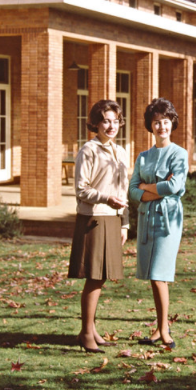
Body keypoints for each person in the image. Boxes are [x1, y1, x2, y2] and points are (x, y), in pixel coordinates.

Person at [68, 99, 129, 353]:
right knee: (94, 278)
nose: (111, 125)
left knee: (101, 277)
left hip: (113, 219)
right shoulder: (89, 150)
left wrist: (125, 223)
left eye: (115, 121)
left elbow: (123, 190)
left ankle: (91, 329)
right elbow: (82, 189)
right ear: (96, 123)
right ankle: (85, 333)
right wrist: (106, 198)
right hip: (93, 219)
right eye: (106, 120)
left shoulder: (121, 151)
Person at [129, 97, 188, 349]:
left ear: (172, 124)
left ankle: (164, 331)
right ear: (150, 126)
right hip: (146, 217)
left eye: (165, 122)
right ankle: (159, 328)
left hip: (168, 219)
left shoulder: (180, 154)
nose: (161, 127)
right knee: (153, 276)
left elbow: (176, 186)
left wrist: (147, 188)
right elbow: (132, 191)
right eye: (156, 122)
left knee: (160, 274)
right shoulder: (143, 157)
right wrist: (155, 190)